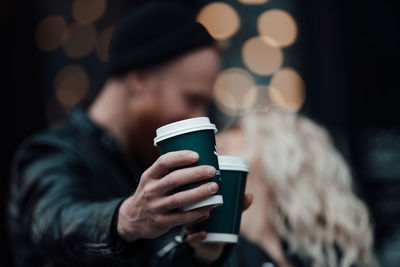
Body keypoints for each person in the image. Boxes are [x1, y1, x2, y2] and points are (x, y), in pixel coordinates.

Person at [7, 2, 252, 267]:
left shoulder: (146, 159)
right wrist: (126, 218)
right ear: (139, 78)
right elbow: (51, 222)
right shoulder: (50, 153)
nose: (199, 117)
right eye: (192, 99)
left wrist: (203, 253)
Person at [217, 108, 377, 267]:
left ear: (280, 157)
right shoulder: (212, 252)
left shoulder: (324, 256)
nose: (220, 138)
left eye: (237, 130)